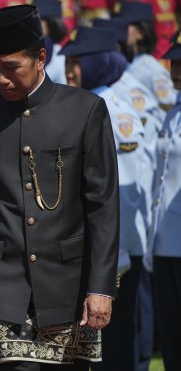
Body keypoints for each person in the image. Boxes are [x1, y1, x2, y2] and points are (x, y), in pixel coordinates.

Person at [0, 5, 119, 371]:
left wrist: (101, 287)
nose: (0, 78)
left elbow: (103, 208)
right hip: (1, 281)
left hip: (68, 283)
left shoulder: (85, 111)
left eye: (11, 66)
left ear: (40, 57)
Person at [59, 26, 148, 371]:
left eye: (79, 60)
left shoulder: (112, 109)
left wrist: (116, 254)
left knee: (117, 347)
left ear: (99, 62)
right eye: (68, 59)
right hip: (94, 248)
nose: (70, 68)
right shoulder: (87, 103)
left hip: (115, 253)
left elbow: (125, 189)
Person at [144, 31, 181, 371]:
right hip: (166, 241)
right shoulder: (173, 112)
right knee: (171, 337)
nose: (176, 69)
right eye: (173, 61)